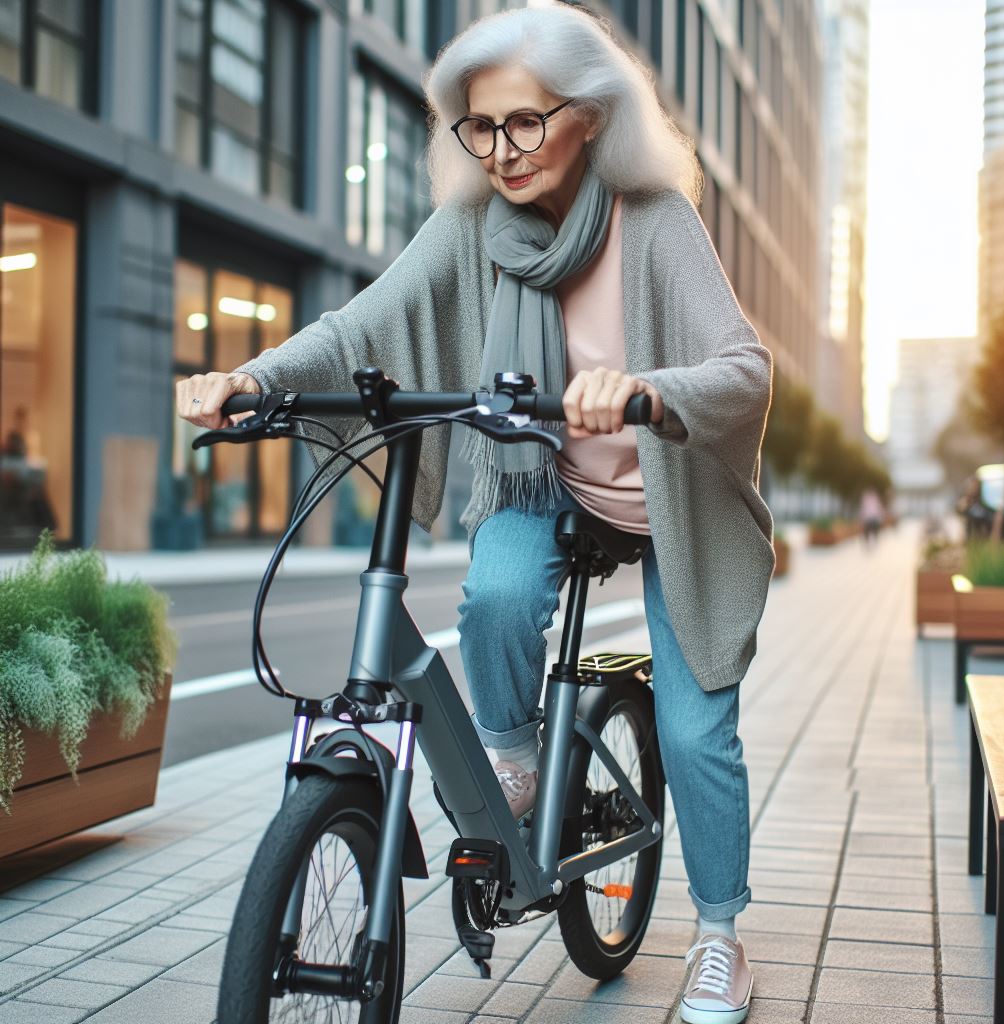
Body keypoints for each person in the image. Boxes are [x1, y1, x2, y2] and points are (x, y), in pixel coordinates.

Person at [177, 6, 773, 1020]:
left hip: (673, 498)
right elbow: (363, 320)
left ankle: (721, 934)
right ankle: (514, 756)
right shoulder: (474, 232)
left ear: (588, 118)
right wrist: (253, 377)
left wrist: (646, 389)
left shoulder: (654, 221)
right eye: (480, 127)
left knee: (693, 723)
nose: (501, 151)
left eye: (525, 124)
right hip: (544, 481)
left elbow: (745, 369)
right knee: (492, 594)